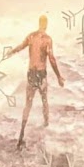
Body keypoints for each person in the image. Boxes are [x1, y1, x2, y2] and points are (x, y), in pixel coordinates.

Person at [7, 15, 66, 149]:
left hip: (31, 74)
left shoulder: (31, 36)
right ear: (46, 25)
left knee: (28, 104)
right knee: (44, 100)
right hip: (40, 74)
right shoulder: (47, 39)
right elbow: (51, 59)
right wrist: (59, 77)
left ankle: (21, 136)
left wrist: (11, 52)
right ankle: (46, 126)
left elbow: (21, 47)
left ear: (39, 23)